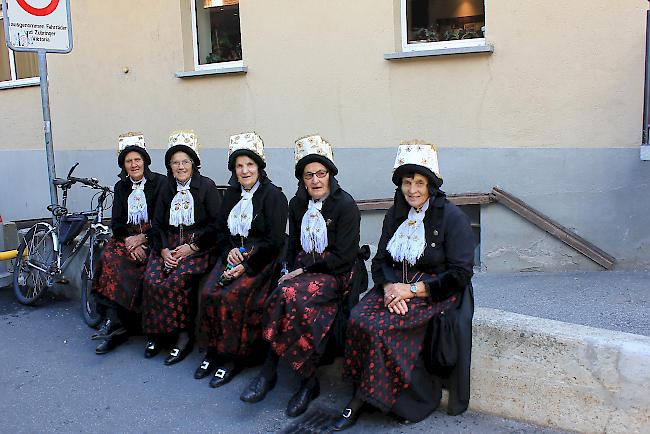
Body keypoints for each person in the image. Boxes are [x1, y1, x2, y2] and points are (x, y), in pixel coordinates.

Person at [333, 142, 476, 431]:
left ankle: (400, 400)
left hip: (436, 292)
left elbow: (460, 274)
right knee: (359, 319)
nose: (412, 190)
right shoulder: (394, 214)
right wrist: (388, 288)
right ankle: (363, 392)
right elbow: (380, 261)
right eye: (407, 183)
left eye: (420, 182)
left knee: (382, 329)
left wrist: (410, 291)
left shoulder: (452, 218)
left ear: (431, 185)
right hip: (395, 287)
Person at [240, 135, 361, 418]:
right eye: (309, 175)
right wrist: (286, 270)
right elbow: (292, 244)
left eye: (321, 173)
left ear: (330, 175)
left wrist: (302, 271)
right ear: (302, 179)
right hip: (301, 271)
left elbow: (343, 258)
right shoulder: (297, 205)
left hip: (335, 274)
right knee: (284, 293)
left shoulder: (345, 206)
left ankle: (275, 375)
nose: (316, 180)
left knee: (288, 297)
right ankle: (307, 382)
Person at [195, 132, 288, 387]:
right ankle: (213, 350)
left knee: (233, 297)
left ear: (259, 166)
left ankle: (233, 357)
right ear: (234, 170)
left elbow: (275, 241)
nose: (245, 170)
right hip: (233, 256)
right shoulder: (232, 195)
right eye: (239, 166)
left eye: (249, 164)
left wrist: (246, 265)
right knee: (208, 292)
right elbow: (221, 230)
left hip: (261, 261)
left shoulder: (274, 196)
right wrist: (228, 251)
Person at [142, 130, 221, 365]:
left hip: (199, 246)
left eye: (185, 161)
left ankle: (183, 336)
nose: (180, 167)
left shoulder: (206, 186)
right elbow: (157, 224)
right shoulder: (166, 188)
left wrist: (192, 247)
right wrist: (164, 250)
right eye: (175, 163)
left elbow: (216, 225)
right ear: (170, 166)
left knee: (177, 278)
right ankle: (157, 334)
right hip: (169, 245)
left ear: (193, 163)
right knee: (152, 277)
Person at [91, 132, 165, 355]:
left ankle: (147, 328)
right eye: (128, 161)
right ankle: (115, 323)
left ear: (145, 161)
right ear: (123, 165)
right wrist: (130, 243)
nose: (133, 165)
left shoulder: (160, 183)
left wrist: (144, 240)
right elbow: (117, 221)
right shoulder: (120, 187)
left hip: (153, 238)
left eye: (137, 160)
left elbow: (164, 220)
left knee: (150, 270)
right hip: (128, 239)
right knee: (109, 259)